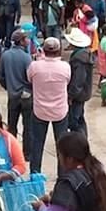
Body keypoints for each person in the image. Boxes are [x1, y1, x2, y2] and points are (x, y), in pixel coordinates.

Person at [27, 37, 71, 174]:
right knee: (62, 145)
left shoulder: (35, 66)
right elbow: (68, 81)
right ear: (59, 50)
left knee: (37, 144)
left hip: (40, 109)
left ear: (44, 50)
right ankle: (62, 175)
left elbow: (29, 78)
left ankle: (35, 173)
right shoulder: (65, 67)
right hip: (60, 110)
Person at [0, 30, 34, 157]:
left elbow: (0, 77)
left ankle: (11, 152)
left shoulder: (5, 55)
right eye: (26, 38)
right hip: (26, 96)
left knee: (12, 125)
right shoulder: (26, 57)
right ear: (21, 41)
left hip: (12, 95)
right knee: (28, 126)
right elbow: (31, 78)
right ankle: (27, 153)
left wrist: (9, 87)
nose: (28, 40)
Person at [66, 28, 95, 136]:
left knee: (74, 121)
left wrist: (71, 95)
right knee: (80, 118)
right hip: (83, 92)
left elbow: (78, 80)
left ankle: (79, 143)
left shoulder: (79, 58)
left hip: (78, 94)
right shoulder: (85, 54)